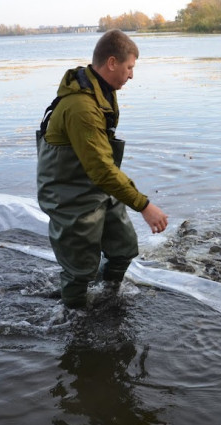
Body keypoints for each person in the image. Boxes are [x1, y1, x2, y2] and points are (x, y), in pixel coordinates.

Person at [36, 29, 168, 309]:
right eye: (129, 67)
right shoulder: (81, 106)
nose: (132, 75)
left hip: (97, 187)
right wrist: (144, 205)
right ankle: (74, 321)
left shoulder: (102, 92)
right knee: (79, 270)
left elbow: (101, 168)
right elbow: (101, 170)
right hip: (69, 195)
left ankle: (109, 297)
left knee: (124, 249)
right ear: (111, 63)